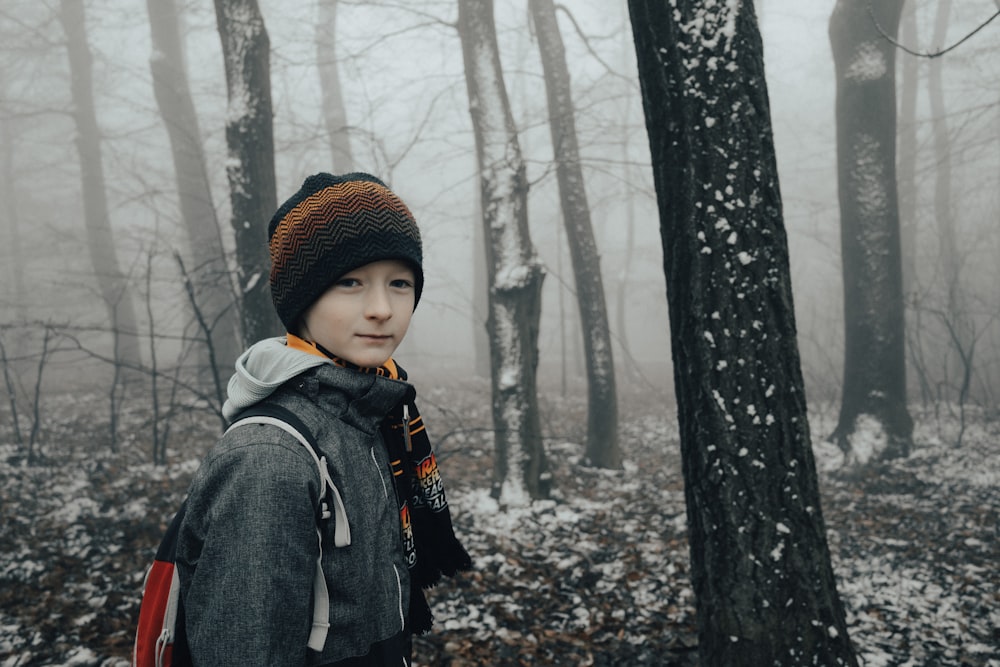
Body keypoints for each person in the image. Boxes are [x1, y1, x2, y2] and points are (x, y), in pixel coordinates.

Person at [175, 172, 471, 666]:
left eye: (399, 283)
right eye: (350, 282)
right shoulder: (268, 459)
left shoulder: (375, 413)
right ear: (301, 300)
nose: (381, 309)